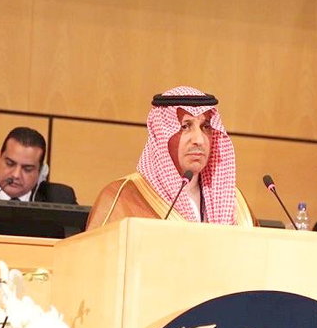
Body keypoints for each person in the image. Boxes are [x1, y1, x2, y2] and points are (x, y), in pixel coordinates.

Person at [86, 86, 255, 229]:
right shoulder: (122, 198)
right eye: (185, 127)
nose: (199, 139)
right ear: (161, 134)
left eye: (205, 127)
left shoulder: (234, 204)